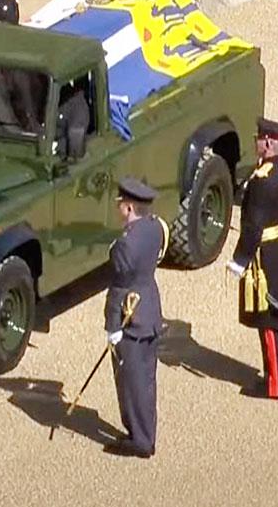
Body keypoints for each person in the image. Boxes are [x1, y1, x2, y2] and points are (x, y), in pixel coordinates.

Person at [225, 119, 278, 400]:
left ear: (268, 143)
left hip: (267, 255)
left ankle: (275, 385)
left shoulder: (262, 180)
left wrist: (239, 260)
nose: (256, 141)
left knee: (269, 320)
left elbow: (253, 228)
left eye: (259, 138)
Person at [104, 178, 167, 458]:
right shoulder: (154, 227)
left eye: (120, 204)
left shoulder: (124, 245)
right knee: (146, 378)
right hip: (150, 308)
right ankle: (145, 432)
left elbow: (118, 288)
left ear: (129, 207)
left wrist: (113, 326)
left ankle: (140, 440)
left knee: (132, 382)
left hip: (131, 316)